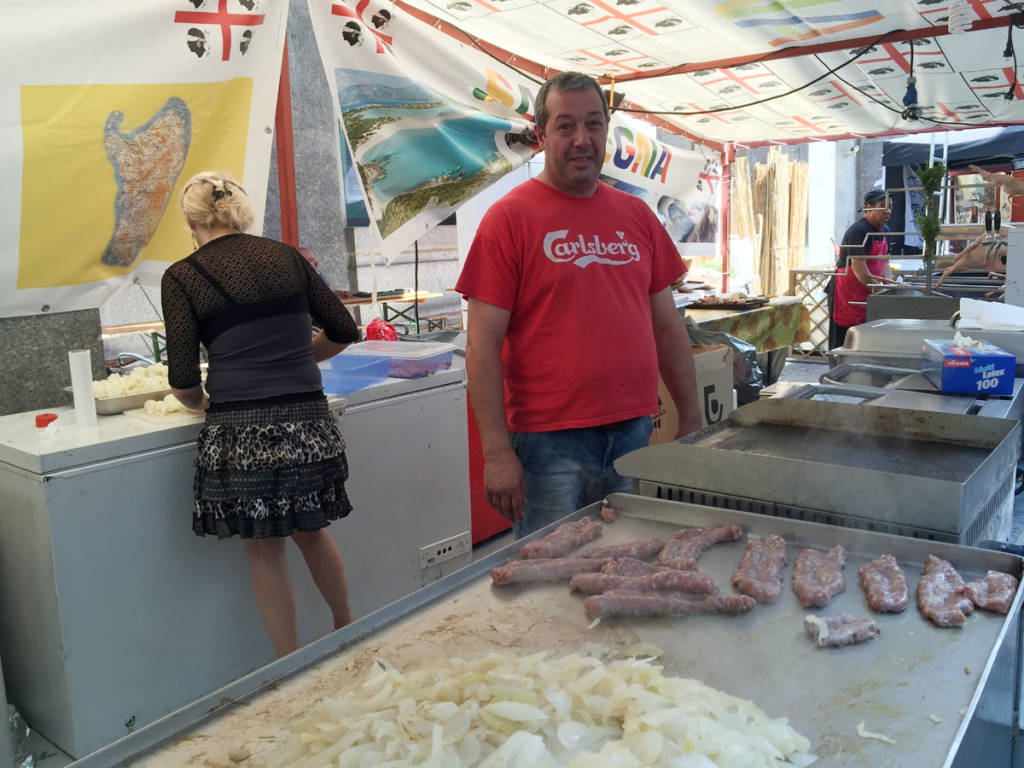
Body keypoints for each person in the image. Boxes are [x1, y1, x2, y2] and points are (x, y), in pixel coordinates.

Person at [455, 72, 700, 538]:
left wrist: (690, 417)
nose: (582, 139)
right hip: (547, 444)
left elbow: (668, 328)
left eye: (594, 124)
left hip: (634, 431)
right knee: (549, 584)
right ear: (542, 135)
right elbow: (481, 347)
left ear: (608, 131)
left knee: (628, 564)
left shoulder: (637, 216)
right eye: (565, 126)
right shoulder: (509, 219)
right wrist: (496, 453)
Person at [161, 171, 361, 658]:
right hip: (308, 423)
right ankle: (349, 629)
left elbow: (184, 382)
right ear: (241, 212)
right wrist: (298, 358)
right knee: (312, 531)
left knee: (264, 550)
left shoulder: (183, 278)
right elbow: (342, 328)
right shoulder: (287, 258)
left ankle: (289, 666)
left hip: (239, 429)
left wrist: (203, 403)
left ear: (189, 220)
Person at [830, 188, 896, 349]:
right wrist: (879, 290)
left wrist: (887, 285)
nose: (887, 211)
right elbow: (859, 268)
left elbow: (885, 263)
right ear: (868, 208)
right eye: (882, 206)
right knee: (846, 336)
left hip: (869, 290)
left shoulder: (885, 231)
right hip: (848, 290)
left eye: (890, 207)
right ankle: (839, 370)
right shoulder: (858, 231)